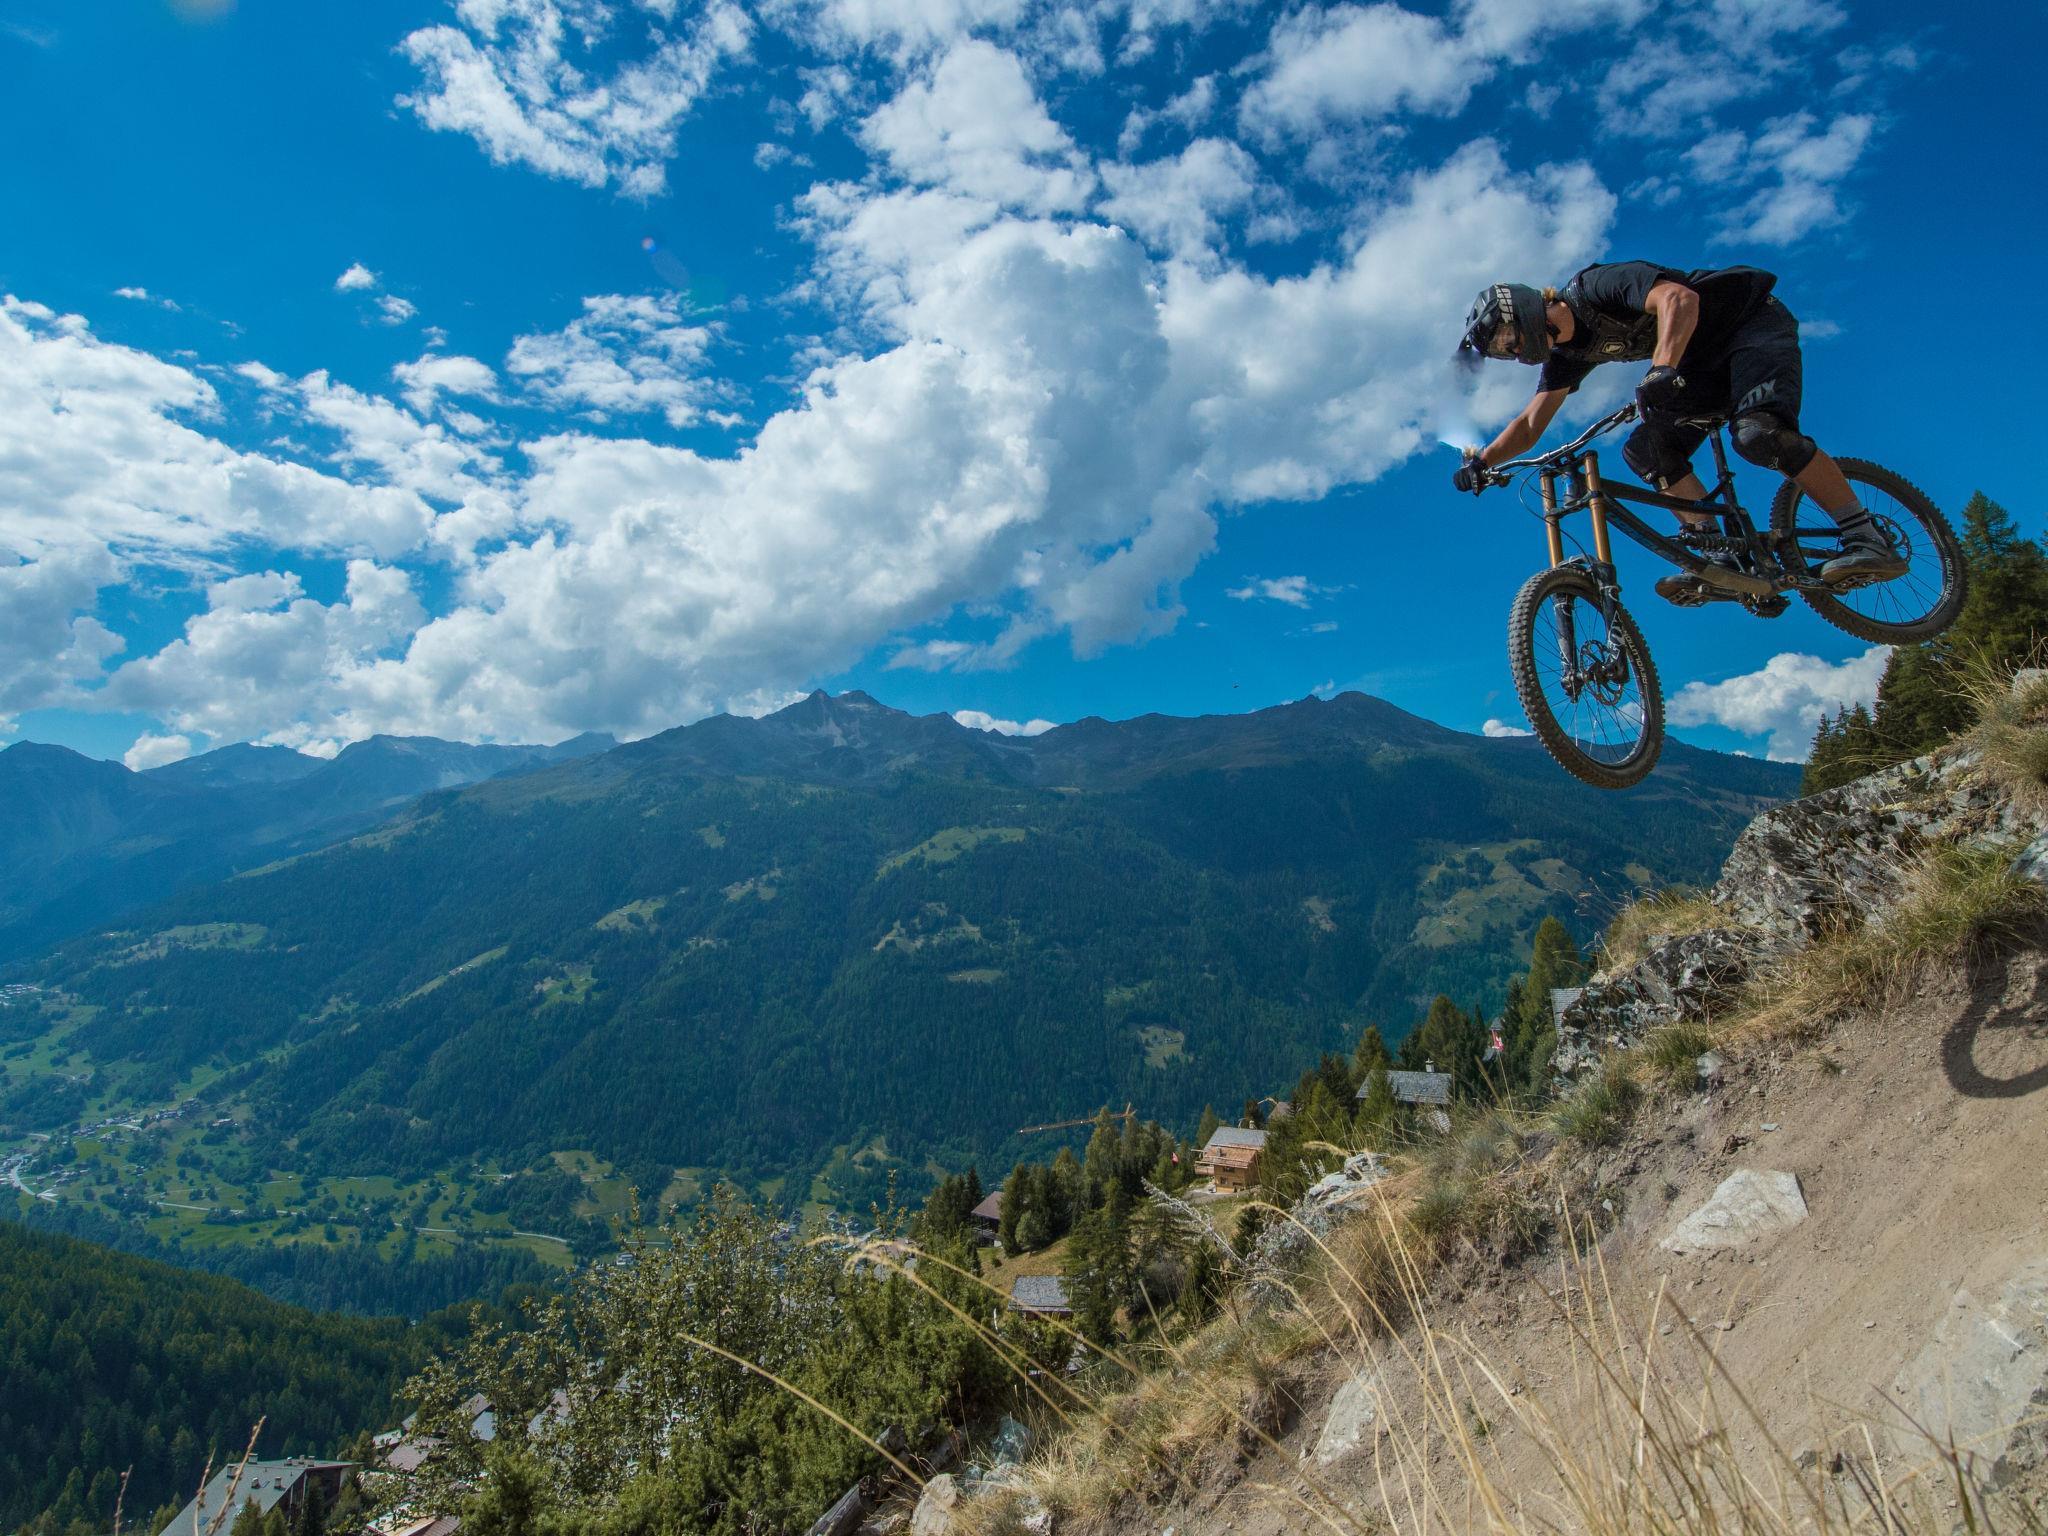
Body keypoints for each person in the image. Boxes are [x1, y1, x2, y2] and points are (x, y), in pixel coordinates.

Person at [1452, 262, 1906, 602]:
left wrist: (1662, 367)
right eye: (1502, 353)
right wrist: (1482, 463)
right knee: (1646, 450)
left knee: (1758, 435)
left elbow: (1678, 299)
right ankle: (1721, 553)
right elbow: (1531, 423)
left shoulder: (1596, 287)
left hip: (1751, 327)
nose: (1513, 353)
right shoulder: (1566, 357)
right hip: (1698, 366)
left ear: (1522, 310)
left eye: (1506, 340)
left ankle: (1865, 534)